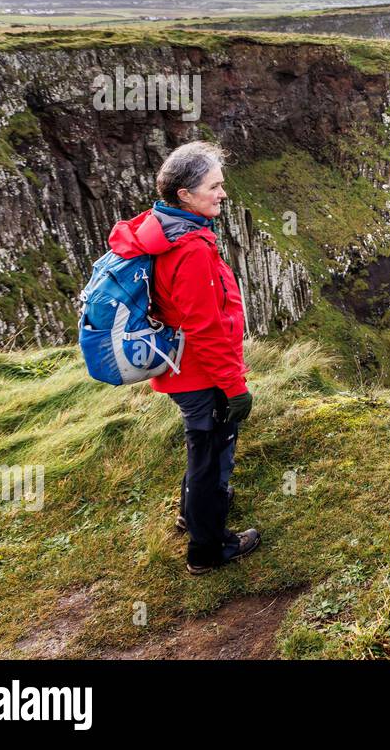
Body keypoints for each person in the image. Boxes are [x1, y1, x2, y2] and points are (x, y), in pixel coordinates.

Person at [107, 141, 261, 575]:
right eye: (214, 186)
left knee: (202, 449)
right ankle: (209, 550)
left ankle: (191, 513)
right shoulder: (191, 249)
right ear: (185, 195)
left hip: (181, 370)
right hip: (199, 373)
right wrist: (234, 388)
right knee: (211, 454)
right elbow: (205, 330)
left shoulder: (162, 227)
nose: (222, 194)